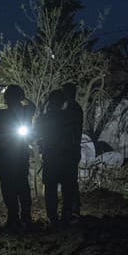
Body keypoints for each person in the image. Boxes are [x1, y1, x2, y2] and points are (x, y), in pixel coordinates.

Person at [0, 84, 36, 230]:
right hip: (18, 155)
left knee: (10, 187)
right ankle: (22, 217)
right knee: (21, 186)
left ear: (7, 99)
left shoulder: (2, 114)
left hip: (8, 156)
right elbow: (33, 106)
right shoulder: (25, 111)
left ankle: (16, 217)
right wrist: (24, 98)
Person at [36, 84, 83, 228]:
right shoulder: (70, 116)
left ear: (50, 102)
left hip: (51, 157)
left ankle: (53, 218)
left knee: (50, 189)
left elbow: (37, 135)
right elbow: (76, 135)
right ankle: (66, 216)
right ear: (63, 102)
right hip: (68, 157)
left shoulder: (44, 119)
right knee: (68, 188)